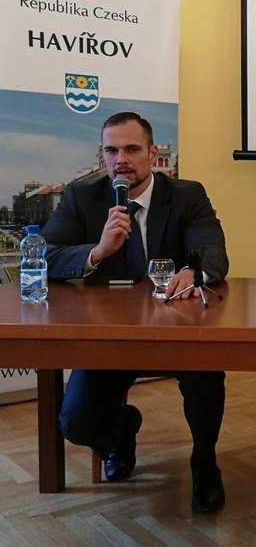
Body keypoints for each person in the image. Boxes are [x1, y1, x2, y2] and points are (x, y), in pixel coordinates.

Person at [41, 112, 229, 512]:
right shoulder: (82, 196)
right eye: (111, 151)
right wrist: (96, 252)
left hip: (176, 328)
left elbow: (213, 250)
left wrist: (194, 272)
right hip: (108, 333)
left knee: (206, 377)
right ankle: (122, 429)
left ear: (152, 153)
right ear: (103, 155)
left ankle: (204, 462)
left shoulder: (186, 195)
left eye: (131, 149)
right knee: (76, 423)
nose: (120, 160)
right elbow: (45, 255)